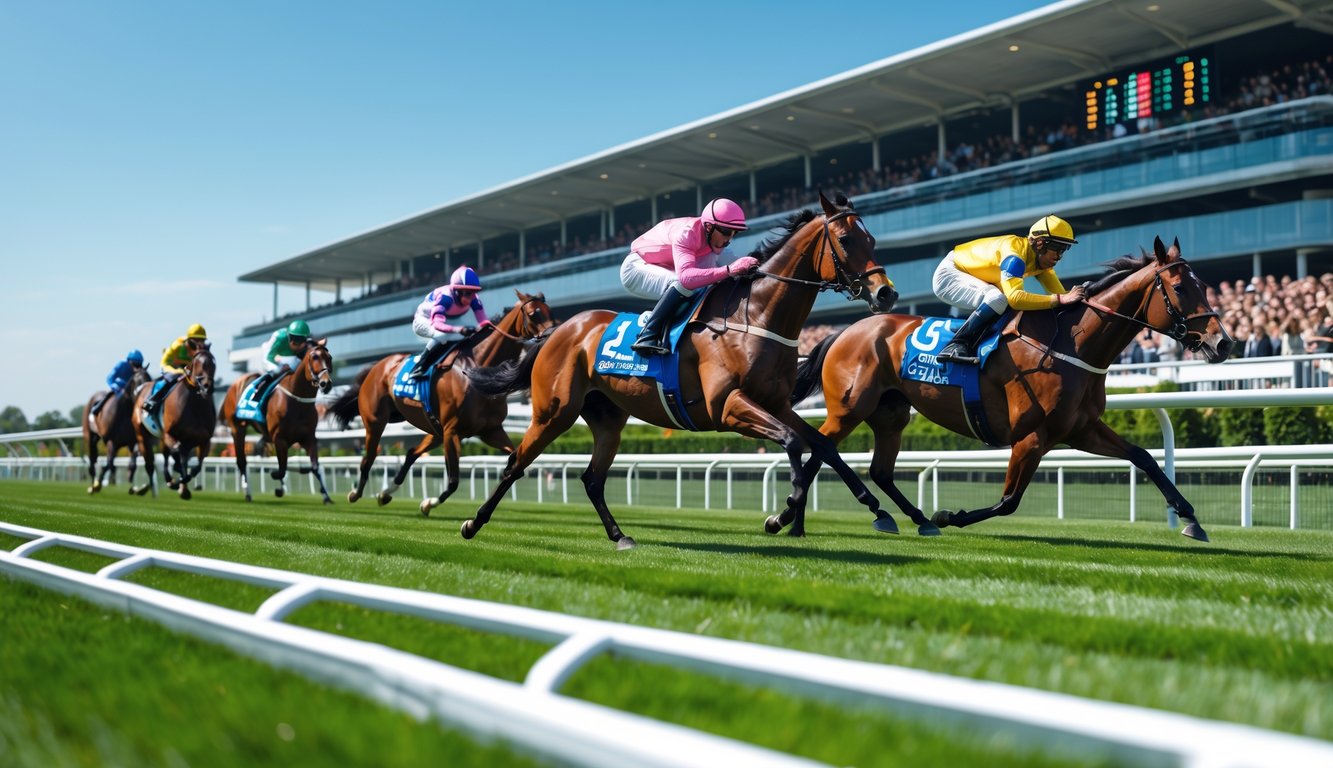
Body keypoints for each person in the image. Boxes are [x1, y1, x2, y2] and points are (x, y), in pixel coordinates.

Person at [933, 215, 1088, 365]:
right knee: (998, 299)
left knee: (1003, 304)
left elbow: (1064, 297)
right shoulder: (1014, 257)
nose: (1059, 256)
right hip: (950, 273)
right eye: (1056, 248)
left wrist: (1084, 294)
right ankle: (955, 345)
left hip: (976, 276)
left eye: (1064, 249)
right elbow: (1016, 298)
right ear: (1040, 243)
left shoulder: (1042, 264)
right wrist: (1059, 299)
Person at [619, 198, 759, 355]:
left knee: (708, 285)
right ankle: (647, 334)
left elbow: (738, 267)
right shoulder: (686, 234)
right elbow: (686, 278)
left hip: (665, 267)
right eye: (726, 232)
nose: (729, 239)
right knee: (681, 283)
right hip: (636, 267)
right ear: (708, 227)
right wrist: (729, 270)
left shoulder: (713, 240)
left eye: (735, 232)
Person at [407, 265, 489, 380]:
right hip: (425, 320)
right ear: (457, 292)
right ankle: (420, 367)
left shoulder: (474, 298)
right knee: (443, 336)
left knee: (464, 336)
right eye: (468, 293)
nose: (472, 297)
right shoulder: (445, 298)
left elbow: (483, 321)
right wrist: (459, 329)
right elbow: (438, 325)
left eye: (474, 292)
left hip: (448, 320)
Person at [142, 324, 209, 414]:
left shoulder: (202, 348)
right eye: (196, 341)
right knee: (178, 374)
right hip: (169, 365)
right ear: (189, 341)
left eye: (202, 341)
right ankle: (152, 400)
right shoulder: (178, 345)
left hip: (185, 367)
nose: (199, 345)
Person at [250, 319, 312, 393]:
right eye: (291, 339)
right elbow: (267, 360)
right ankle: (258, 393)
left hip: (285, 359)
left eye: (297, 342)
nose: (292, 343)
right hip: (268, 357)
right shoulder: (280, 337)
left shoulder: (307, 344)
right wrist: (280, 369)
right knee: (276, 371)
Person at [90, 349, 146, 417]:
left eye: (139, 365)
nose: (137, 367)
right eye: (135, 364)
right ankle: (97, 407)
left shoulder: (140, 371)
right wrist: (115, 387)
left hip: (131, 390)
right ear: (129, 361)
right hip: (118, 387)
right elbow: (110, 378)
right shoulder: (121, 365)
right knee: (109, 393)